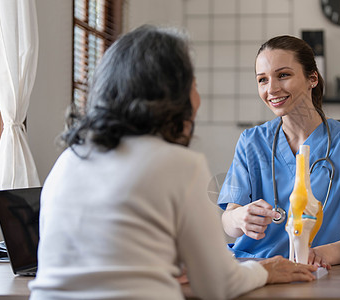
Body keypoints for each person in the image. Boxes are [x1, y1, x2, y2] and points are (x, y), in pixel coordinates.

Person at [28, 25, 317, 300]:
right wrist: (266, 270)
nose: (198, 99)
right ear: (170, 96)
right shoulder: (178, 164)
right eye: (193, 86)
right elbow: (219, 284)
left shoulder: (68, 160)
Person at [218, 35, 340, 268]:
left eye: (283, 75)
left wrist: (317, 255)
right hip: (255, 269)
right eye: (262, 80)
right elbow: (229, 220)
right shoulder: (251, 142)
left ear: (312, 78)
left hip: (317, 271)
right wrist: (238, 218)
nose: (272, 89)